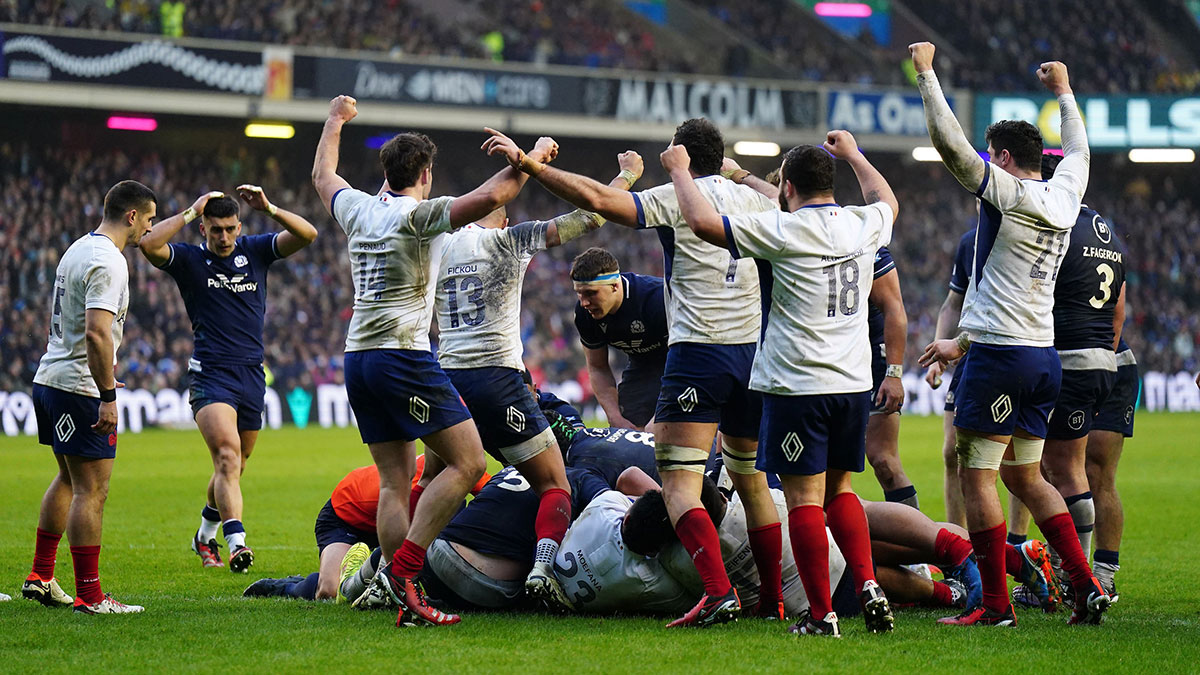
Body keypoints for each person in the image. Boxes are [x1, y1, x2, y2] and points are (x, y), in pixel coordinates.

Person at [493, 118, 783, 628]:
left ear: (684, 158)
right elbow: (782, 194)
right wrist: (743, 175)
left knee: (677, 487)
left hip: (699, 355)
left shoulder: (679, 196)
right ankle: (774, 599)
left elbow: (602, 202)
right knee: (752, 483)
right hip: (751, 355)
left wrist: (534, 167)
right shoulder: (761, 202)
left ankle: (718, 593)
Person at [311, 94, 542, 627]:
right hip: (402, 356)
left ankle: (400, 591)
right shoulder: (421, 216)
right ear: (426, 173)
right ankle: (405, 574)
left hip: (357, 358)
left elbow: (324, 174)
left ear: (386, 171)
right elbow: (495, 195)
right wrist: (528, 159)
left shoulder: (358, 207)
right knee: (469, 463)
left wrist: (335, 120)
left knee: (394, 482)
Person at [669, 129, 900, 636]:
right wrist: (857, 155)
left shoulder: (782, 229)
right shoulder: (864, 223)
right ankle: (866, 583)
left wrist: (680, 171)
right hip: (853, 383)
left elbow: (703, 223)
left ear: (787, 187)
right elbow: (887, 200)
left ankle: (822, 616)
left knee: (803, 500)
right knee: (840, 489)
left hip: (799, 384)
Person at [911, 42, 1110, 626]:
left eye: (990, 156)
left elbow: (950, 146)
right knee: (1025, 474)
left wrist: (927, 76)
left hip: (1000, 360)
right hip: (1040, 357)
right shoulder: (1066, 192)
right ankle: (1085, 583)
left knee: (978, 477)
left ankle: (995, 605)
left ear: (999, 156)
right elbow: (1079, 149)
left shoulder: (1008, 191)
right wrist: (1065, 92)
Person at [433, 138, 642, 608]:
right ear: (504, 217)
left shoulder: (439, 244)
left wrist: (527, 162)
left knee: (436, 477)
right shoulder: (511, 239)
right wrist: (627, 177)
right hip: (496, 379)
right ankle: (542, 568)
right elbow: (591, 216)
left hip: (444, 377)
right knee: (554, 482)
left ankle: (397, 570)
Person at [139, 186, 317, 573]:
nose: (224, 237)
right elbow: (149, 245)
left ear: (239, 227)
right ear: (203, 228)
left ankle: (204, 536)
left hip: (252, 374)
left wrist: (269, 208)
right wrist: (189, 210)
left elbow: (307, 234)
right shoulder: (189, 259)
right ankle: (236, 542)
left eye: (230, 229)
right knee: (226, 455)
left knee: (234, 466)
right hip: (211, 373)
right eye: (215, 229)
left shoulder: (254, 251)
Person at [23, 180, 157, 614]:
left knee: (68, 479)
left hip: (51, 377)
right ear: (131, 216)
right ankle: (91, 595)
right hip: (78, 388)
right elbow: (97, 331)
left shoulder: (79, 247)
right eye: (149, 220)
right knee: (92, 490)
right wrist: (106, 396)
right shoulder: (110, 262)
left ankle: (41, 575)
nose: (148, 230)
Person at [1035, 154, 1127, 594]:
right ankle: (1083, 573)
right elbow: (1118, 312)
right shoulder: (1106, 231)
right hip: (1109, 360)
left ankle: (1077, 577)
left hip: (1071, 357)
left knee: (1059, 467)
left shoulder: (1058, 227)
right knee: (1081, 471)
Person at [242, 460, 490, 601]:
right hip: (345, 520)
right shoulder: (426, 479)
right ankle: (284, 587)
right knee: (329, 591)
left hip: (389, 523)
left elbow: (494, 494)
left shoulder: (463, 465)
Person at [570, 247, 668, 430]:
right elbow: (597, 367)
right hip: (642, 367)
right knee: (627, 436)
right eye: (579, 293)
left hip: (684, 364)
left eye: (591, 293)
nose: (584, 303)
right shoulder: (584, 314)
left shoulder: (657, 300)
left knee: (668, 433)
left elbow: (690, 357)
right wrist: (615, 418)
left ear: (615, 286)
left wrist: (665, 416)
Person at [924, 224, 976, 528]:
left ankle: (1018, 541)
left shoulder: (1020, 230)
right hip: (970, 353)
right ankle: (959, 543)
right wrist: (938, 357)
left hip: (1012, 351)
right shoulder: (969, 242)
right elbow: (952, 304)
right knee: (951, 452)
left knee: (1017, 459)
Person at [864, 246, 918, 508]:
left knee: (884, 461)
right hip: (825, 361)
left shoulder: (863, 236)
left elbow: (894, 308)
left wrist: (894, 374)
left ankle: (917, 546)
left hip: (872, 357)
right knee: (823, 468)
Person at [1085, 335, 1137, 601]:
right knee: (1052, 471)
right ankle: (1065, 575)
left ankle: (1103, 577)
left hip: (1109, 361)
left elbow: (1117, 313)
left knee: (1098, 474)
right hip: (1062, 362)